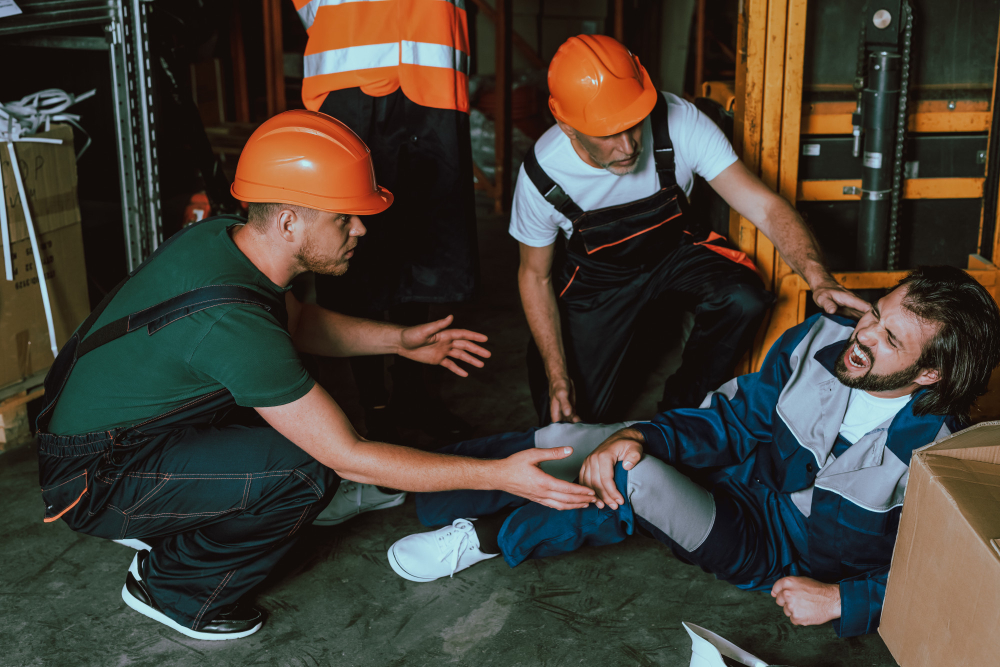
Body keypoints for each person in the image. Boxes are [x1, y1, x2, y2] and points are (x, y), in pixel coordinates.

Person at [35, 110, 596, 642]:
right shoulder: (232, 325)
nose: (360, 229)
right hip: (94, 476)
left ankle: (180, 511)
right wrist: (501, 476)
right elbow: (345, 453)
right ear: (287, 221)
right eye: (343, 217)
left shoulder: (227, 242)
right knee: (307, 469)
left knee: (308, 411)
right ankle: (175, 588)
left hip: (113, 437)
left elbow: (295, 324)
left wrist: (400, 341)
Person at [386, 266, 1000, 637]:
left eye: (890, 339)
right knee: (580, 441)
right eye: (876, 312)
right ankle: (411, 481)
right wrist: (641, 435)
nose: (862, 336)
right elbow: (733, 419)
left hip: (767, 545)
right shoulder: (821, 339)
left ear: (930, 377)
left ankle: (489, 535)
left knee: (635, 480)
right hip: (736, 474)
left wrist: (843, 600)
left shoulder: (943, 457)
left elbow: (963, 580)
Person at [515, 34, 869, 425]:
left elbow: (765, 207)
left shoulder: (680, 123)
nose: (629, 145)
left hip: (673, 251)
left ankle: (680, 417)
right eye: (607, 133)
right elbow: (535, 275)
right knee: (573, 417)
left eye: (634, 123)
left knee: (743, 298)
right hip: (599, 280)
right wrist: (557, 375)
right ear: (567, 125)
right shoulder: (543, 176)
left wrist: (819, 278)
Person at [293, 0, 479, 442]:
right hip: (350, 77)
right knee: (355, 247)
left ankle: (414, 395)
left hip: (430, 74)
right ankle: (373, 407)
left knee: (425, 245)